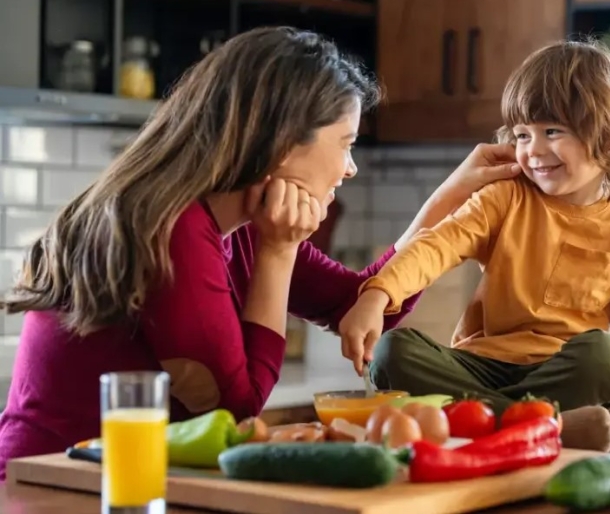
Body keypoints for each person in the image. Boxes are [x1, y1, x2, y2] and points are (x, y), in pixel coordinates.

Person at [0, 26, 522, 478]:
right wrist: (279, 251)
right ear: (283, 141)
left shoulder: (241, 224)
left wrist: (447, 200)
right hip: (55, 490)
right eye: (346, 143)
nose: (350, 167)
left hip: (125, 482)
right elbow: (236, 406)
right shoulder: (175, 228)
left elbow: (360, 305)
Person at [338, 40, 610, 451]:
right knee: (392, 352)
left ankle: (483, 421)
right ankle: (541, 426)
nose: (534, 150)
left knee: (608, 357)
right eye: (523, 134)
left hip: (564, 372)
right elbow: (438, 245)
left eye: (552, 131)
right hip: (480, 367)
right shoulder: (504, 197)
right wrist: (378, 293)